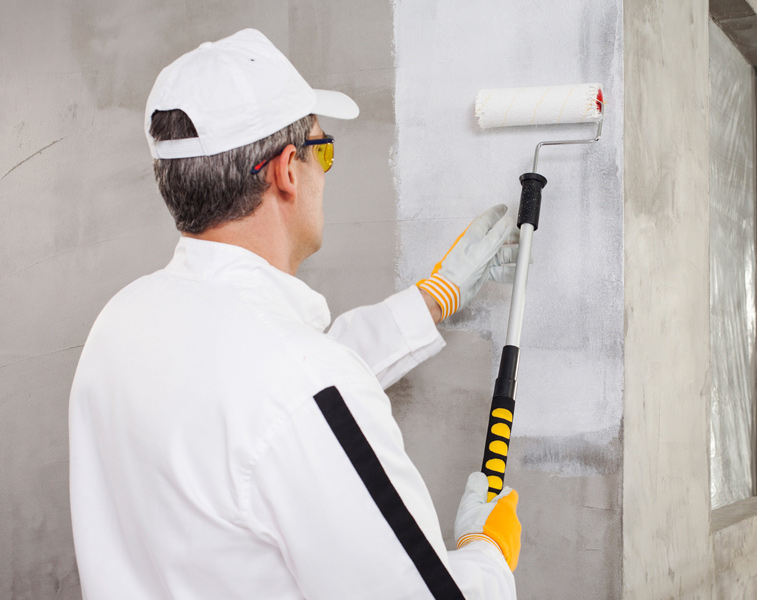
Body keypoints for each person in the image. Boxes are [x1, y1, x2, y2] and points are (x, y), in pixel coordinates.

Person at [68, 28, 520, 599]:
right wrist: (489, 555)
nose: (323, 171)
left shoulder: (122, 323)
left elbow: (256, 396)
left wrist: (431, 299)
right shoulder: (301, 384)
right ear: (286, 171)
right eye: (321, 149)